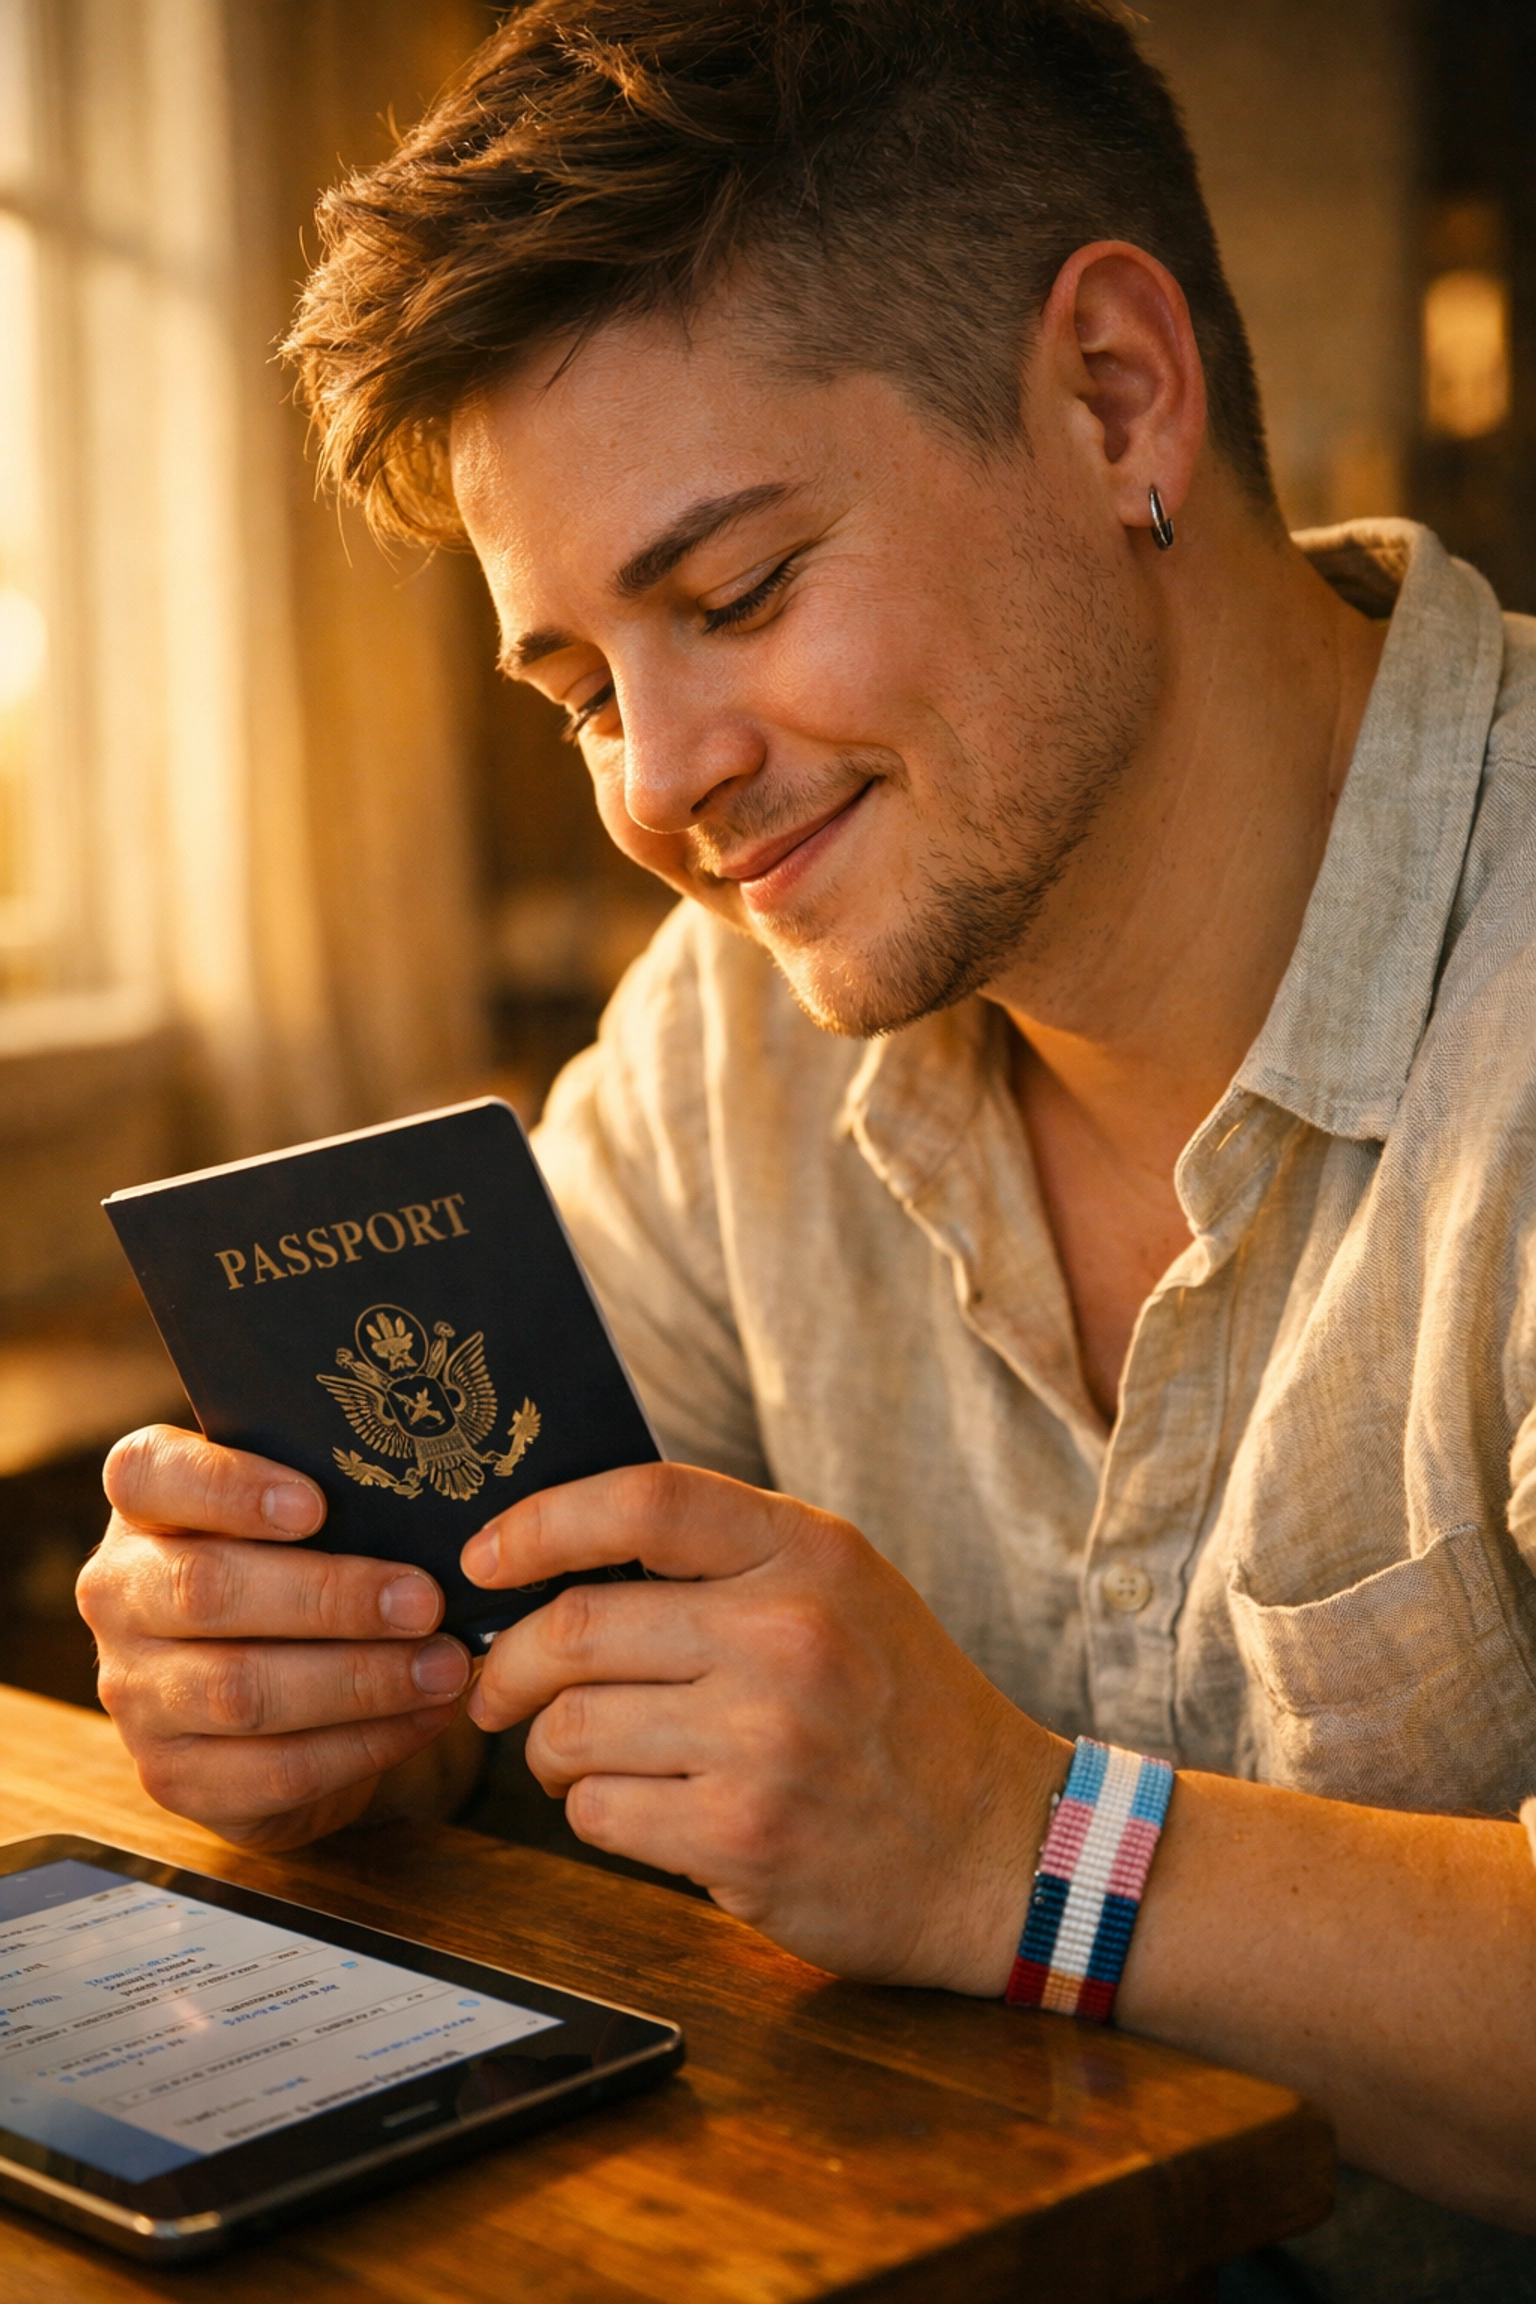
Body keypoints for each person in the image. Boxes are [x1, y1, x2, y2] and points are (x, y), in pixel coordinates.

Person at [77, 3, 1536, 2293]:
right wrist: (336, 1697)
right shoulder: (724, 1041)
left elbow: (968, 1846)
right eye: (574, 689)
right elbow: (505, 1630)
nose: (656, 782)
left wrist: (1016, 1846)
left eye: (739, 591)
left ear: (1117, 398)